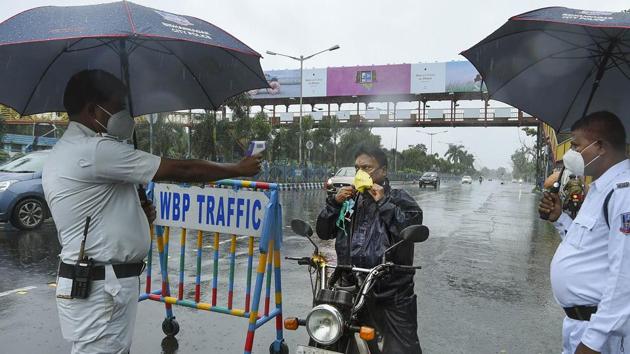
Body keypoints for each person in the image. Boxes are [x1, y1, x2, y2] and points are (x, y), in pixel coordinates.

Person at [42, 69, 262, 354]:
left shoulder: (74, 150)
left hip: (101, 284)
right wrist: (236, 169)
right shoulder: (94, 151)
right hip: (100, 287)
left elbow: (96, 213)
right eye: (118, 105)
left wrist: (137, 216)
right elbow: (179, 169)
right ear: (92, 109)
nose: (124, 114)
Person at [316, 145, 423, 353]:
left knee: (403, 348)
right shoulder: (349, 201)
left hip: (392, 290)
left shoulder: (399, 199)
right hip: (351, 286)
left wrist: (383, 202)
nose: (360, 173)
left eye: (367, 168)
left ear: (383, 171)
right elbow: (324, 232)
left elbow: (409, 229)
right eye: (357, 168)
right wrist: (334, 204)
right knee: (336, 339)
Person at [538, 111, 630, 354]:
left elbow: (624, 276)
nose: (572, 154)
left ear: (599, 146)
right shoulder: (599, 188)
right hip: (579, 324)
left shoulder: (624, 193)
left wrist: (593, 342)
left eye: (577, 146)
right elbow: (588, 248)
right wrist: (560, 219)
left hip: (603, 332)